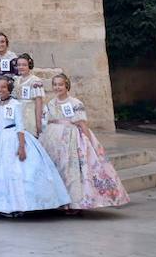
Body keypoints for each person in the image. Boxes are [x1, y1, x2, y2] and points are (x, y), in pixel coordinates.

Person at [0, 75, 70, 216]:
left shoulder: (15, 104)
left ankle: (18, 205)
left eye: (3, 87)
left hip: (11, 137)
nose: (0, 90)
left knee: (15, 172)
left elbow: (20, 126)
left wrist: (21, 146)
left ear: (9, 89)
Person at [40, 74, 129, 211]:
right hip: (54, 140)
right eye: (55, 85)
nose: (58, 87)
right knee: (59, 170)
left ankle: (75, 203)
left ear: (67, 85)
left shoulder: (75, 103)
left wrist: (90, 141)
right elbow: (46, 121)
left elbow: (81, 123)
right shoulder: (51, 103)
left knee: (72, 171)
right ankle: (60, 202)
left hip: (71, 138)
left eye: (60, 84)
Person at [13, 54, 45, 136]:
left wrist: (38, 122)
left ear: (29, 65)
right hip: (18, 112)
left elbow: (38, 102)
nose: (21, 67)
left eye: (24, 65)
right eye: (19, 65)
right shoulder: (16, 80)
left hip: (29, 113)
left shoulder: (35, 81)